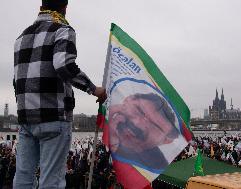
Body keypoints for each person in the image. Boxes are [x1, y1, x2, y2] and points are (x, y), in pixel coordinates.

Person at [13, 0, 107, 188]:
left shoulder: (21, 36)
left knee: (23, 179)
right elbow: (63, 64)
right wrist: (93, 88)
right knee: (51, 181)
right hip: (54, 116)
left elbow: (17, 78)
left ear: (42, 6)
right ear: (64, 7)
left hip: (26, 118)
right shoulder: (63, 29)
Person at [108, 93, 179, 170]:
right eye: (139, 109)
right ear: (128, 99)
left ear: (166, 141)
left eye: (155, 125)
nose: (138, 123)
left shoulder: (156, 171)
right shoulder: (102, 119)